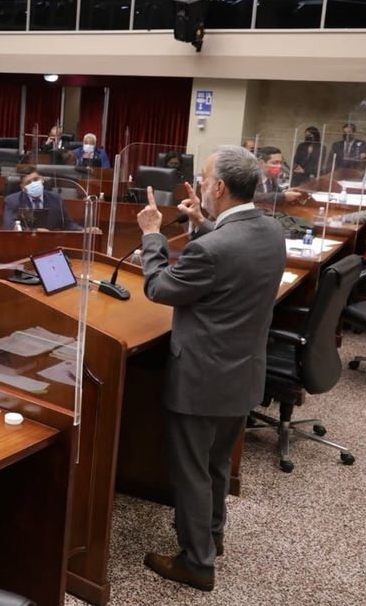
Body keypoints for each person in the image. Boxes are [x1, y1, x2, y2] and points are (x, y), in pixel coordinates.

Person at [137, 145, 286, 592]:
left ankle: (196, 563)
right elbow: (228, 263)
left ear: (219, 186)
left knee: (192, 471)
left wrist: (151, 235)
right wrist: (202, 223)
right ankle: (212, 537)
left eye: (203, 178)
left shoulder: (215, 248)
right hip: (242, 375)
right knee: (217, 464)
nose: (199, 184)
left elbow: (160, 287)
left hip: (201, 379)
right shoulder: (271, 230)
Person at [1, 169, 81, 231]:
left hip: (49, 243)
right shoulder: (12, 201)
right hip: (23, 242)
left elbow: (67, 224)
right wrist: (34, 231)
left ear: (42, 179)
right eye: (28, 182)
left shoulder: (56, 199)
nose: (33, 184)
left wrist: (83, 230)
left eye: (36, 179)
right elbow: (9, 226)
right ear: (23, 187)